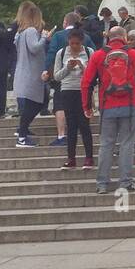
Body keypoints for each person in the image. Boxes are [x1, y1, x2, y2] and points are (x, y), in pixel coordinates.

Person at [80, 26, 135, 195]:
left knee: (106, 144)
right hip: (130, 103)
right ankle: (126, 181)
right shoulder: (134, 54)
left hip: (107, 105)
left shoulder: (98, 55)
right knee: (127, 144)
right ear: (124, 37)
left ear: (109, 38)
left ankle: (102, 183)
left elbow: (86, 82)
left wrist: (87, 106)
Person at [52, 28, 94, 168]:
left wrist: (82, 66)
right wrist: (68, 68)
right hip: (67, 90)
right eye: (72, 43)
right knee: (71, 125)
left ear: (81, 42)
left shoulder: (89, 52)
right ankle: (71, 158)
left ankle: (89, 157)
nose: (74, 46)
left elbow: (93, 74)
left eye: (77, 43)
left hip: (83, 91)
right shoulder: (61, 53)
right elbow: (57, 76)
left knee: (84, 125)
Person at [12, 2, 52, 147]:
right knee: (35, 104)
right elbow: (34, 48)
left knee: (36, 103)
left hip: (25, 72)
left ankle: (23, 130)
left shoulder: (20, 33)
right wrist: (44, 38)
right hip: (31, 74)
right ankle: (22, 135)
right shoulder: (30, 32)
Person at [45, 12, 81, 151]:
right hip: (80, 77)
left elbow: (51, 53)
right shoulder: (84, 36)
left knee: (59, 105)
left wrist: (46, 71)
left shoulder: (58, 36)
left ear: (65, 22)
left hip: (62, 76)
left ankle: (62, 135)